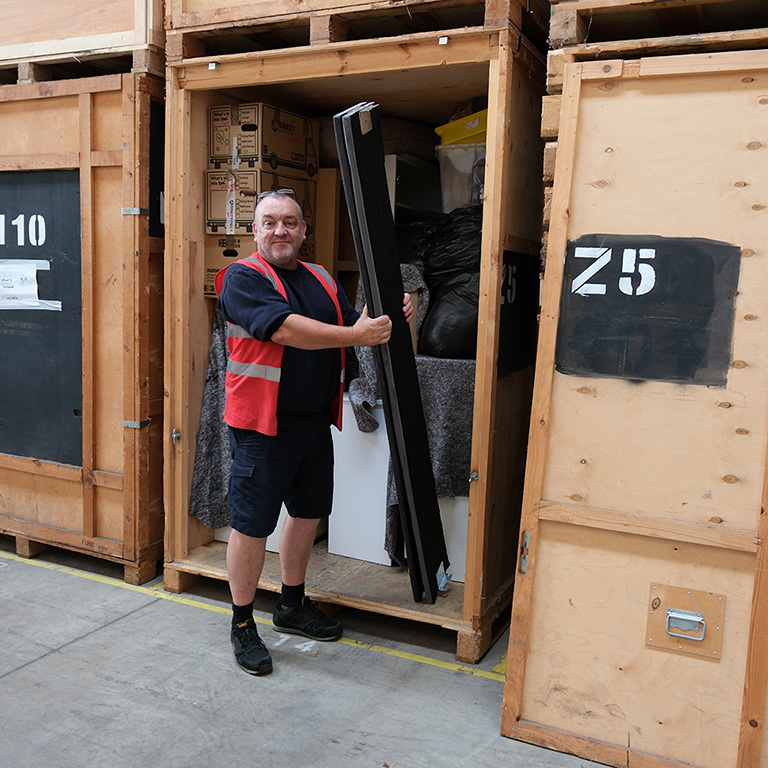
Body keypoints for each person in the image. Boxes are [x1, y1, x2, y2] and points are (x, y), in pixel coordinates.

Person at [216, 188, 412, 675]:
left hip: (312, 422)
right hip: (263, 426)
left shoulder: (322, 278)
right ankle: (242, 624)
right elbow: (282, 329)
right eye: (269, 222)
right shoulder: (240, 277)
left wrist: (388, 318)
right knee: (252, 525)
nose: (279, 230)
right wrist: (356, 335)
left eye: (289, 222)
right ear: (255, 229)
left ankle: (291, 605)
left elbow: (354, 322)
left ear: (304, 230)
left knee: (308, 514)